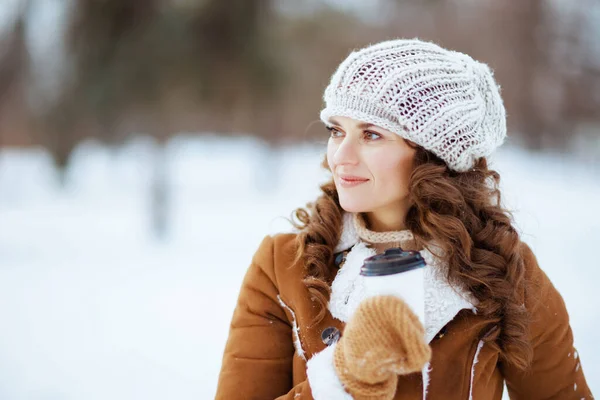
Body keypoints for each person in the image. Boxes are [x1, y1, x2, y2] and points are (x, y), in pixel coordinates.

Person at [214, 38, 593, 399]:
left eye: (372, 134)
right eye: (336, 130)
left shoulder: (504, 269)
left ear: (433, 155)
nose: (341, 156)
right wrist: (342, 378)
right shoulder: (284, 266)